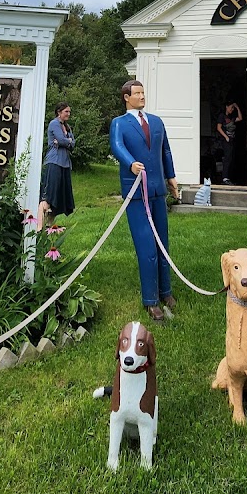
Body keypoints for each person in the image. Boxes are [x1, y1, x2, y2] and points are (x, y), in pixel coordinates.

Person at [109, 80, 179, 323]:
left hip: (158, 188)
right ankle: (151, 300)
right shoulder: (119, 123)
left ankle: (166, 291)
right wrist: (130, 163)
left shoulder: (157, 122)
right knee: (146, 246)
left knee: (162, 243)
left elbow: (165, 151)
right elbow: (116, 146)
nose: (141, 96)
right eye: (136, 93)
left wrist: (171, 176)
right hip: (137, 191)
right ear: (126, 97)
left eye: (142, 92)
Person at [38, 102, 76, 225]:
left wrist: (66, 141)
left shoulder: (67, 127)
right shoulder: (54, 124)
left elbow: (72, 144)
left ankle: (49, 229)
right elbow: (61, 140)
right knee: (49, 196)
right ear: (59, 112)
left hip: (65, 164)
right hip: (54, 162)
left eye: (69, 112)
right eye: (66, 111)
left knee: (58, 198)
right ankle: (38, 229)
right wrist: (66, 141)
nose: (68, 114)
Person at [216, 100, 243, 185]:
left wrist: (237, 107)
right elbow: (218, 128)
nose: (232, 109)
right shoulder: (222, 116)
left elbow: (240, 118)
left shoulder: (232, 117)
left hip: (231, 140)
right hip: (226, 140)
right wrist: (226, 136)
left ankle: (228, 177)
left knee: (231, 158)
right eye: (231, 107)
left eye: (233, 108)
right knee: (227, 158)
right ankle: (224, 178)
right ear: (226, 107)